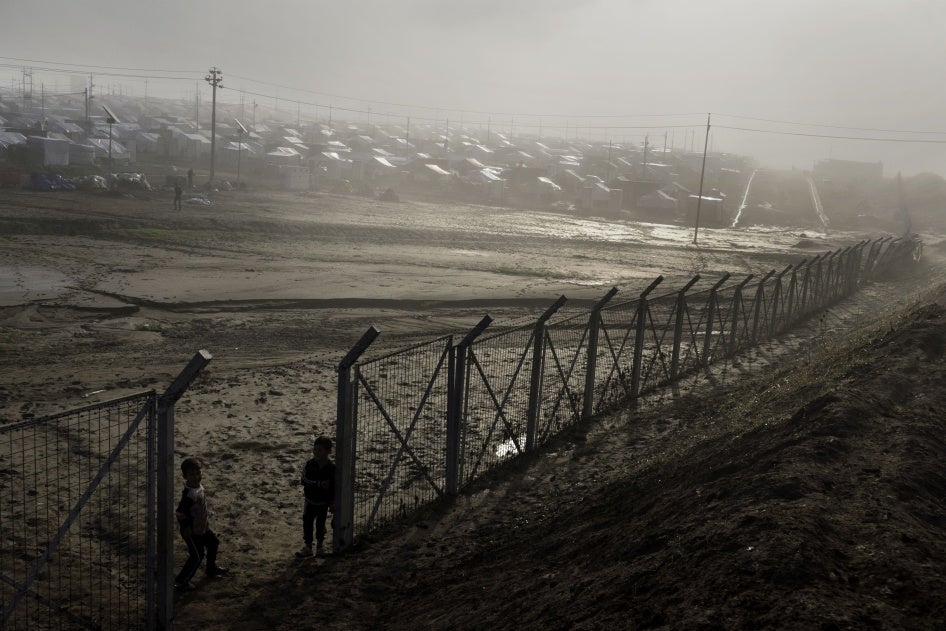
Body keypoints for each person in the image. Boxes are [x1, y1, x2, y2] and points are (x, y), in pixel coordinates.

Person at [174, 457, 228, 591]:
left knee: (213, 543)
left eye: (198, 473)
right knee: (197, 556)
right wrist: (185, 527)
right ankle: (181, 582)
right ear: (185, 476)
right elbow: (180, 512)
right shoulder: (189, 494)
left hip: (202, 527)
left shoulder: (198, 487)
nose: (196, 477)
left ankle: (211, 569)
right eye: (191, 474)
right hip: (192, 532)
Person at [296, 436, 335, 557]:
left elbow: (333, 487)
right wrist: (318, 484)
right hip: (310, 501)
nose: (316, 453)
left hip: (323, 502)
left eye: (320, 450)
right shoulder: (309, 464)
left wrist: (332, 502)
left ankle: (320, 546)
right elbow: (303, 480)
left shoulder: (331, 468)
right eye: (315, 450)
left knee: (320, 524)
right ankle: (308, 546)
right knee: (307, 523)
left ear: (328, 452)